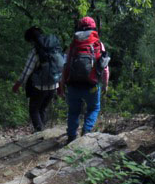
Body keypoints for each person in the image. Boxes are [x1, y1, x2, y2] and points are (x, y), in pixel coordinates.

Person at [58, 16, 110, 144]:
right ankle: (86, 132)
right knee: (93, 108)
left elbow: (64, 66)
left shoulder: (73, 44)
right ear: (94, 28)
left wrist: (61, 85)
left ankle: (71, 137)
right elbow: (104, 67)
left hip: (73, 84)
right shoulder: (98, 44)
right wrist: (105, 85)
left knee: (73, 111)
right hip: (91, 84)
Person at [12, 27, 64, 132]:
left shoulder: (36, 51)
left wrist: (17, 84)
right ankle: (42, 133)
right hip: (54, 84)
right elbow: (59, 67)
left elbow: (27, 71)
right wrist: (60, 86)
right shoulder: (54, 48)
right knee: (42, 109)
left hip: (39, 86)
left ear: (31, 40)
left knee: (34, 110)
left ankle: (40, 133)